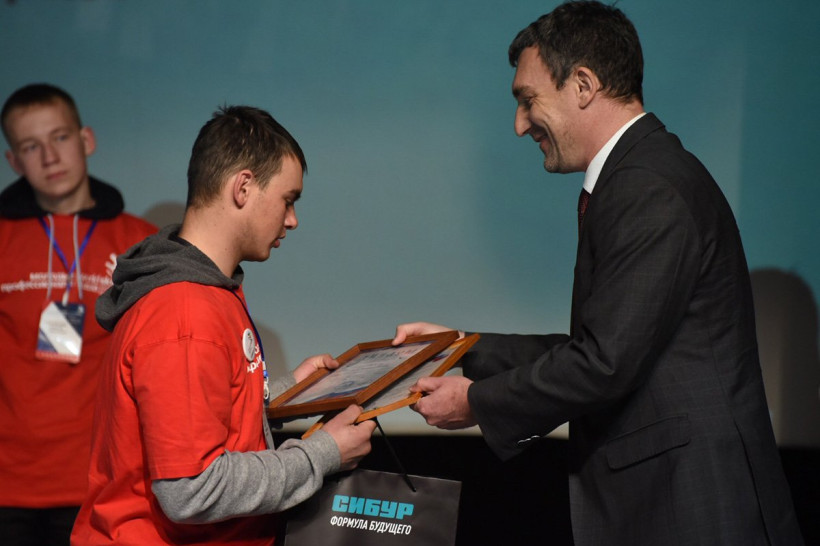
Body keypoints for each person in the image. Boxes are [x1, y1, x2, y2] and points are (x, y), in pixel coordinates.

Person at [393, 2, 804, 544]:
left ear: (584, 85)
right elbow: (603, 346)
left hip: (694, 510)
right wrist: (461, 348)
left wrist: (475, 401)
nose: (519, 125)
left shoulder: (647, 186)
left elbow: (603, 362)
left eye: (527, 100)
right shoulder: (640, 175)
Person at [70, 105, 376, 545]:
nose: (292, 219)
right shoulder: (184, 311)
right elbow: (192, 489)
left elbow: (202, 412)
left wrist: (286, 392)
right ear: (243, 187)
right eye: (288, 200)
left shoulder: (207, 291)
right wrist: (322, 454)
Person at [0, 83, 157, 545]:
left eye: (60, 137)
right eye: (31, 146)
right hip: (7, 487)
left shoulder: (139, 243)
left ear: (86, 140)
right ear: (14, 161)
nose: (50, 157)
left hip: (102, 481)